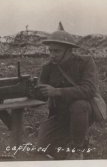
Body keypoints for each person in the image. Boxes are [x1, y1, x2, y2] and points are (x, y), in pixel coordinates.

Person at [36, 22, 98, 160]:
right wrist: (33, 91)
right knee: (42, 148)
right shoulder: (47, 68)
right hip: (60, 114)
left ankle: (77, 148)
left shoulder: (85, 62)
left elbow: (89, 90)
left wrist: (57, 92)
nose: (52, 55)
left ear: (69, 51)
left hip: (83, 112)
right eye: (50, 50)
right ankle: (71, 137)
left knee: (79, 105)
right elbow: (41, 95)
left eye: (56, 51)